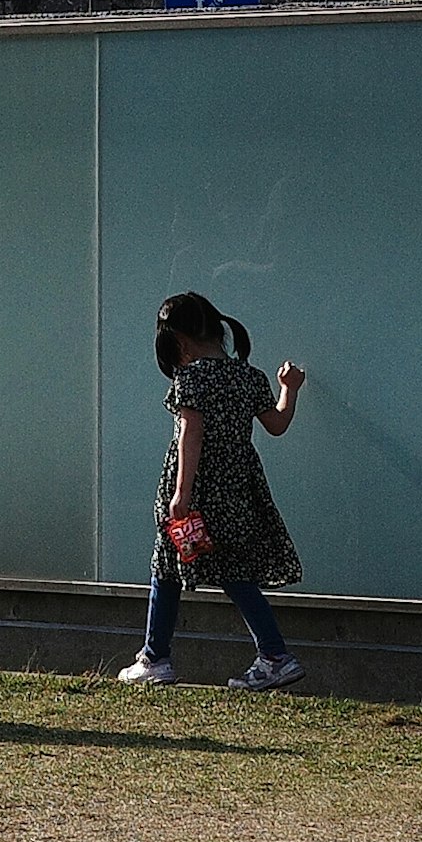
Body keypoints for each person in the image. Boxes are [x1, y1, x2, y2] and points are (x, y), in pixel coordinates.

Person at [118, 290, 307, 690]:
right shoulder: (249, 377)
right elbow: (276, 424)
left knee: (165, 568)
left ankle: (155, 657)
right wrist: (289, 388)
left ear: (180, 342)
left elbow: (192, 434)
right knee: (235, 572)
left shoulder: (193, 378)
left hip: (199, 491)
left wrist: (181, 495)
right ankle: (275, 656)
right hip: (237, 489)